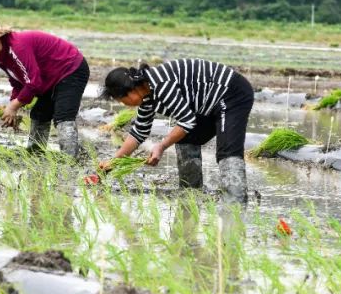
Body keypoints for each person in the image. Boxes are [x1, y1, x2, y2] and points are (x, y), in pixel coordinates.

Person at [98, 59, 254, 203]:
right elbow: (139, 132)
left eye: (121, 100)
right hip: (207, 105)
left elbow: (186, 121)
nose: (124, 104)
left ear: (130, 91)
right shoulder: (146, 94)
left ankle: (235, 202)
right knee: (184, 137)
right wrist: (114, 162)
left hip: (231, 94)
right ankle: (191, 193)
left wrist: (162, 146)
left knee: (227, 150)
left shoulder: (161, 84)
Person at [0, 17, 88, 159]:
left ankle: (71, 158)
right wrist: (14, 105)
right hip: (49, 78)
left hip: (71, 68)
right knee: (39, 113)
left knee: (63, 115)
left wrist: (13, 106)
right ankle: (35, 153)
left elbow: (33, 83)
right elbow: (18, 83)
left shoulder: (17, 47)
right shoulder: (3, 56)